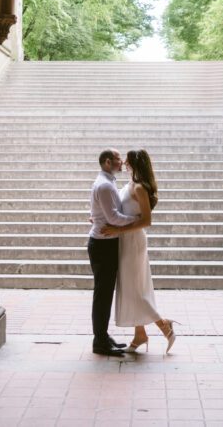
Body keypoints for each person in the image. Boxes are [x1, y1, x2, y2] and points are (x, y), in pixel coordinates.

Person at [101, 149, 178, 354]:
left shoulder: (140, 188)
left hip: (134, 241)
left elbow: (146, 221)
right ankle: (140, 334)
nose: (124, 163)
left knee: (136, 289)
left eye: (127, 160)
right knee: (130, 288)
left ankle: (164, 325)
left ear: (134, 164)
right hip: (125, 240)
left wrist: (118, 229)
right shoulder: (130, 184)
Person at [88, 148, 137, 356]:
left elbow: (103, 213)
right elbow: (114, 218)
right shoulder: (105, 185)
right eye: (117, 159)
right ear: (107, 162)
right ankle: (100, 341)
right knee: (103, 295)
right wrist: (138, 220)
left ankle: (102, 336)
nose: (121, 161)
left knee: (104, 294)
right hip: (103, 245)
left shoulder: (106, 182)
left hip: (104, 243)